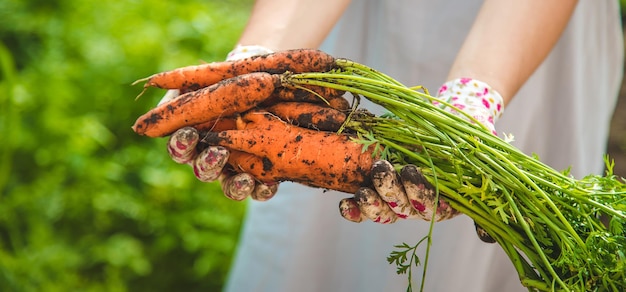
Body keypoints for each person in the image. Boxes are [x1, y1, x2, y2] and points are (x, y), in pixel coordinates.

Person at [164, 0, 624, 291]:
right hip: (360, 23)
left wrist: (471, 101)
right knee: (308, 246)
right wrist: (257, 64)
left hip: (524, 32)